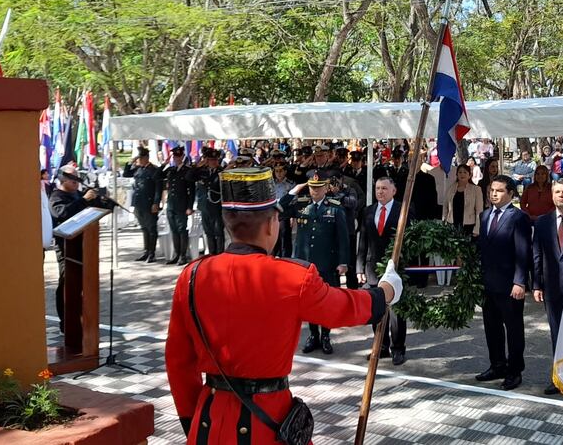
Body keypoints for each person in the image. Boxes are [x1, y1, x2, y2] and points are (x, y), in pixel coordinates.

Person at [165, 167, 402, 443]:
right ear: (270, 224)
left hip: (208, 420)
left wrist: (194, 420)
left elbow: (178, 363)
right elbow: (343, 307)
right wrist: (385, 292)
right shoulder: (291, 278)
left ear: (227, 223)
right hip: (267, 424)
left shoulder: (191, 276)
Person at [280, 174, 349, 354]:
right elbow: (279, 207)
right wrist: (295, 190)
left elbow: (343, 238)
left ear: (326, 188)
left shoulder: (335, 208)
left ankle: (325, 335)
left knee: (325, 301)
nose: (315, 191)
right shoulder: (301, 204)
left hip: (327, 262)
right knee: (308, 301)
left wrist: (343, 262)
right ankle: (313, 335)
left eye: (318, 187)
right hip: (305, 263)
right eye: (311, 187)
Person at [475, 175, 531, 391]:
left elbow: (522, 252)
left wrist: (520, 281)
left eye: (499, 190)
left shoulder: (519, 217)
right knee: (492, 327)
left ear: (510, 193)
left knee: (514, 329)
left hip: (510, 285)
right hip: (488, 284)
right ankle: (497, 365)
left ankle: (514, 370)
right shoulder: (485, 215)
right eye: (492, 190)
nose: (494, 194)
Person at [357, 177, 411, 366]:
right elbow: (363, 241)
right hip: (373, 268)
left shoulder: (404, 210)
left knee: (396, 312)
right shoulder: (368, 211)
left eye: (384, 188)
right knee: (377, 309)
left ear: (394, 191)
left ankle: (398, 348)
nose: (380, 192)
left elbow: (410, 240)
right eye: (378, 188)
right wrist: (359, 267)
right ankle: (381, 347)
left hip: (395, 268)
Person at [533, 178, 563, 395]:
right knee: (557, 334)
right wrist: (536, 285)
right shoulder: (542, 222)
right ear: (552, 195)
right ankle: (559, 379)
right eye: (557, 192)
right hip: (551, 288)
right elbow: (537, 255)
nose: (561, 195)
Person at [48, 165, 104, 331]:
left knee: (82, 283)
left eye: (77, 178)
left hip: (85, 245)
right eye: (72, 179)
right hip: (67, 248)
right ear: (63, 179)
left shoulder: (79, 195)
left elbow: (94, 209)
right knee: (67, 283)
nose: (75, 182)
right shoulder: (56, 196)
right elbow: (62, 214)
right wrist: (84, 200)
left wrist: (98, 199)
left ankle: (81, 318)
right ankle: (65, 321)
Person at [124, 146, 163, 262]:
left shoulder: (154, 170)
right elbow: (126, 173)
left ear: (146, 158)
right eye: (138, 158)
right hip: (138, 203)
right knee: (144, 228)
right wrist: (131, 161)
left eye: (141, 158)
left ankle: (152, 253)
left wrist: (156, 203)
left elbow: (158, 189)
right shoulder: (137, 169)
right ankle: (146, 251)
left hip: (149, 203)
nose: (139, 160)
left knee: (151, 228)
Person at [186, 147, 226, 255]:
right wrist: (197, 165)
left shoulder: (221, 172)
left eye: (215, 160)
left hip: (217, 206)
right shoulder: (201, 171)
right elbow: (188, 177)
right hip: (204, 206)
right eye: (211, 160)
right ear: (207, 160)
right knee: (208, 232)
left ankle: (220, 255)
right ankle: (212, 254)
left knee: (218, 232)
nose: (214, 162)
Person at [161, 145, 196, 265]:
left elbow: (192, 190)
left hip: (182, 205)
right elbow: (157, 176)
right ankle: (176, 254)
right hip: (171, 204)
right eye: (174, 156)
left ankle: (183, 255)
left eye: (178, 156)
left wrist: (190, 207)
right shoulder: (171, 170)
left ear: (182, 156)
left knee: (182, 230)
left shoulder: (187, 171)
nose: (176, 158)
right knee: (174, 230)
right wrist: (163, 164)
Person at [271, 162, 295, 258]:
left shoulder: (290, 184)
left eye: (281, 171)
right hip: (273, 214)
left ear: (285, 171)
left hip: (285, 214)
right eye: (276, 171)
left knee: (285, 239)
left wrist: (292, 217)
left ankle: (285, 259)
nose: (279, 173)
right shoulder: (271, 184)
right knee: (274, 239)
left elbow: (294, 201)